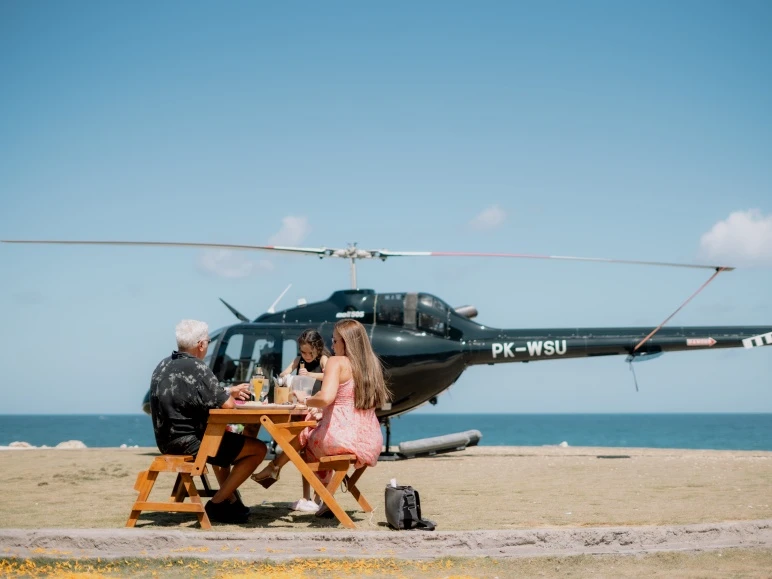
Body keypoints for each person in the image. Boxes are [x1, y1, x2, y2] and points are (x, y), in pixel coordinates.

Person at [250, 319, 390, 515]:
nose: (332, 346)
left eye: (335, 341)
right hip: (370, 440)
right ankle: (315, 494)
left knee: (304, 437)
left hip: (341, 439)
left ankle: (290, 477)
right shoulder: (371, 364)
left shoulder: (336, 362)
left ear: (347, 342)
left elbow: (325, 398)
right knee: (310, 431)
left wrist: (305, 400)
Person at [150, 319, 268, 524]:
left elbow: (187, 393)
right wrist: (230, 395)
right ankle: (218, 503)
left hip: (166, 441)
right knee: (258, 449)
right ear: (201, 344)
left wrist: (227, 390)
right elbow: (228, 405)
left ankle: (232, 501)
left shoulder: (163, 365)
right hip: (193, 443)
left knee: (223, 440)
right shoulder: (197, 367)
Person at [277, 329, 330, 512]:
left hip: (317, 410)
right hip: (302, 408)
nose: (306, 356)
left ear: (318, 349)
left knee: (314, 454)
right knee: (303, 455)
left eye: (310, 353)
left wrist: (310, 375)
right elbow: (283, 375)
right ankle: (306, 496)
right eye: (303, 352)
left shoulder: (324, 360)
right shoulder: (298, 360)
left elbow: (330, 377)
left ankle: (317, 497)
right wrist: (289, 377)